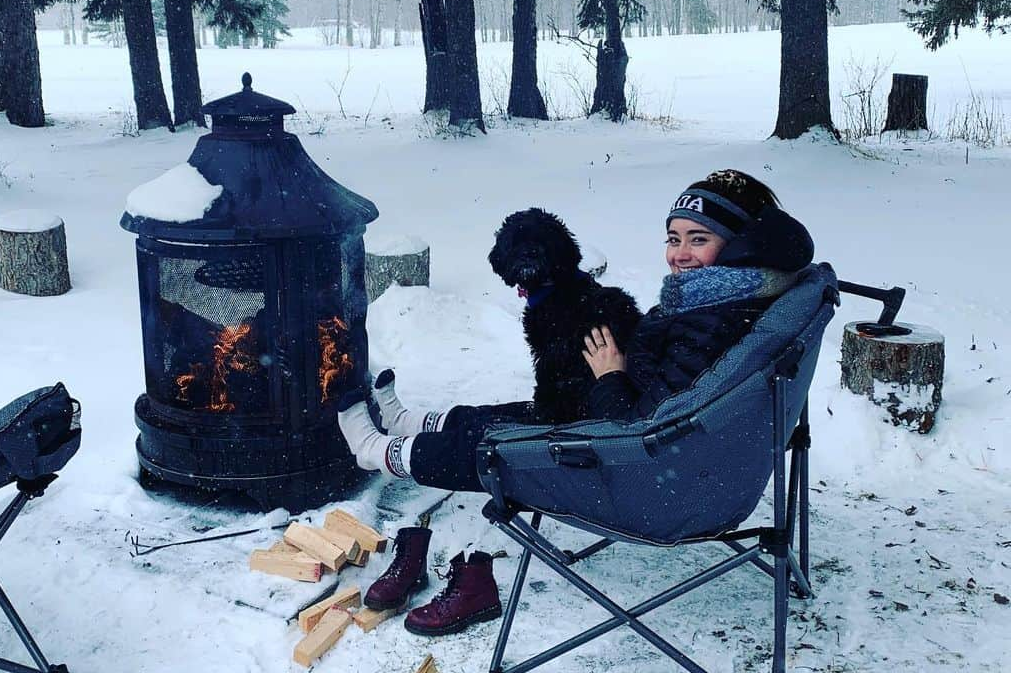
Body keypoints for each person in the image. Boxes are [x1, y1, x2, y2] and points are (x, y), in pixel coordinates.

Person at [337, 169, 814, 635]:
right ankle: (411, 422)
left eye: (698, 239)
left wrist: (610, 375)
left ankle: (376, 452)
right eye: (674, 238)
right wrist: (622, 373)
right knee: (523, 414)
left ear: (738, 246)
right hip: (670, 457)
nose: (679, 254)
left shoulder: (711, 321)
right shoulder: (732, 303)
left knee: (490, 449)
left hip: (639, 472)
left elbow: (639, 429)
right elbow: (666, 406)